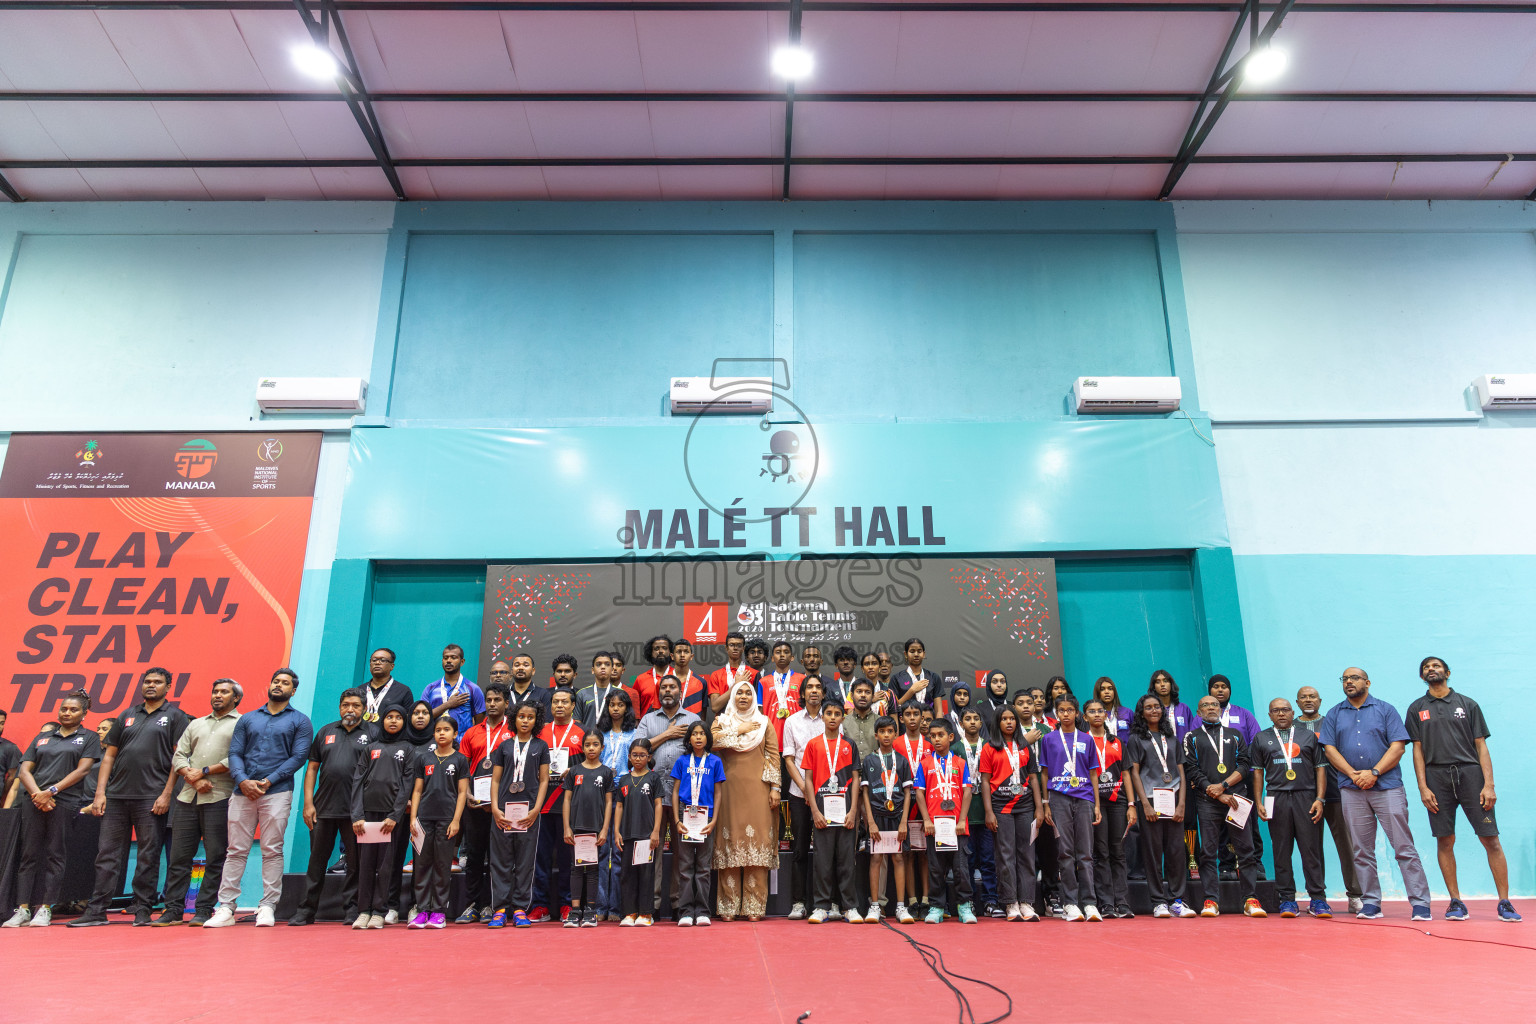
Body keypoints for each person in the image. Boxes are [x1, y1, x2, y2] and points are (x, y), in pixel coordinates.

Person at [69, 668, 191, 928]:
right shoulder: (127, 715)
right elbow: (109, 755)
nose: (151, 685)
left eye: (157, 682)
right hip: (116, 796)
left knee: (148, 856)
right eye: (147, 681)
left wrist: (167, 794)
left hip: (151, 797)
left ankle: (142, 909)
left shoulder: (176, 717)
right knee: (106, 855)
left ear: (168, 687)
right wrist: (101, 793)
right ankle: (97, 910)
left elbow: (178, 759)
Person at [1407, 657, 1518, 922]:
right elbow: (1417, 751)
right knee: (1445, 840)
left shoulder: (1468, 705)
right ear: (1422, 676)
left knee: (1490, 839)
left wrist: (1488, 784)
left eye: (1435, 666)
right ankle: (1456, 902)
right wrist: (1423, 787)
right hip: (1436, 778)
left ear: (1447, 672)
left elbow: (1481, 746)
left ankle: (1505, 902)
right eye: (1425, 667)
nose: (1430, 669)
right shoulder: (1416, 708)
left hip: (1471, 775)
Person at [1319, 667, 1432, 921]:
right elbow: (1329, 749)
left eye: (1354, 678)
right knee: (1361, 850)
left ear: (1367, 682)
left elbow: (1398, 746)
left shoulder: (1385, 709)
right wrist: (1353, 774)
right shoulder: (1335, 714)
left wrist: (1374, 772)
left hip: (1388, 787)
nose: (1349, 682)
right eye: (1345, 679)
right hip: (1351, 790)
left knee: (1403, 847)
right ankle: (1371, 903)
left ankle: (1421, 904)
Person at [205, 667, 312, 929]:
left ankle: (267, 906)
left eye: (285, 683)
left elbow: (298, 757)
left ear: (293, 691)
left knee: (272, 850)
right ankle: (226, 908)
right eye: (276, 681)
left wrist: (268, 781)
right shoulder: (248, 719)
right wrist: (242, 780)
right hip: (242, 792)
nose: (279, 685)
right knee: (235, 850)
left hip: (276, 792)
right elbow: (234, 753)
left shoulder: (300, 721)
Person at [4, 690, 101, 929]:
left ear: (84, 713)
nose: (67, 713)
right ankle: (23, 909)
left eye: (73, 709)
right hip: (35, 801)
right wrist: (38, 794)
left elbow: (83, 770)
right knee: (28, 855)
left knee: (55, 855)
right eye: (64, 709)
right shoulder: (43, 737)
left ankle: (45, 908)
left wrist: (52, 791)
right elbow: (25, 770)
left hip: (63, 802)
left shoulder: (88, 738)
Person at [159, 678, 242, 926]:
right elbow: (180, 755)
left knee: (215, 856)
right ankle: (173, 910)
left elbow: (238, 757)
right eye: (215, 691)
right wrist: (194, 779)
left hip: (219, 796)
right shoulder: (195, 723)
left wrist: (205, 772)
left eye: (224, 692)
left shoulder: (242, 724)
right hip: (188, 796)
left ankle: (204, 909)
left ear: (235, 698)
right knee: (179, 858)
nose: (218, 695)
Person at [292, 688, 371, 926]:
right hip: (323, 808)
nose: (350, 709)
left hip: (356, 811)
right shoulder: (326, 731)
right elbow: (312, 768)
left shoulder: (372, 734)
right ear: (340, 707)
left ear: (364, 710)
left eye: (356, 705)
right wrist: (308, 803)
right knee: (316, 861)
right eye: (346, 705)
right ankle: (306, 911)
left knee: (354, 864)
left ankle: (351, 910)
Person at [1185, 694, 1264, 918]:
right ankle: (1211, 900)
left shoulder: (1235, 734)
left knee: (1246, 851)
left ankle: (1250, 899)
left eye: (1214, 705)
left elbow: (1245, 763)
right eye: (1205, 705)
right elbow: (1192, 769)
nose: (1211, 708)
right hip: (1207, 801)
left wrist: (1224, 786)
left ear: (1220, 710)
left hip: (1236, 799)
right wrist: (1216, 793)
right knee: (1208, 852)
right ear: (1198, 713)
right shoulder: (1192, 737)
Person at [1251, 698, 1331, 919]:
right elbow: (1258, 772)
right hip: (1276, 798)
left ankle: (1318, 900)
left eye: (1285, 710)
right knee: (1281, 851)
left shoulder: (1306, 736)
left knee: (1311, 850)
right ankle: (1287, 900)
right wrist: (1259, 801)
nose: (1281, 714)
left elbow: (1321, 768)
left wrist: (1320, 798)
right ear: (1269, 715)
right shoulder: (1261, 738)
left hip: (1306, 796)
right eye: (1276, 711)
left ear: (1292, 712)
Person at [710, 679, 781, 921]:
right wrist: (740, 729)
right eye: (738, 693)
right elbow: (714, 742)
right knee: (730, 844)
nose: (743, 697)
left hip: (759, 790)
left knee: (756, 847)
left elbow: (773, 755)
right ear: (732, 697)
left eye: (747, 693)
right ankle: (728, 906)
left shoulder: (764, 723)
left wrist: (775, 788)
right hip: (728, 790)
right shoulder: (722, 721)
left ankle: (754, 907)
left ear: (754, 697)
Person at [633, 673, 699, 918]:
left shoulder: (693, 719)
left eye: (672, 687)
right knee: (653, 849)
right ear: (658, 693)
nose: (667, 691)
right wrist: (667, 735)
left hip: (684, 795)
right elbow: (638, 749)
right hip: (654, 795)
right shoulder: (649, 720)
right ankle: (652, 904)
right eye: (664, 687)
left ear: (680, 692)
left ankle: (679, 904)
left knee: (683, 852)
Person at [1295, 684, 1362, 914]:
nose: (1308, 700)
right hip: (1305, 796)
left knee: (1347, 846)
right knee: (1311, 848)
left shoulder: (1331, 722)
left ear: (1320, 700)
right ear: (1297, 703)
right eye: (1303, 697)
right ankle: (1318, 897)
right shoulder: (1290, 727)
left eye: (1312, 696)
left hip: (1336, 793)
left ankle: (1355, 895)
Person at [1126, 695, 1194, 919]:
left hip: (1174, 798)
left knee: (1176, 853)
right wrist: (1143, 803)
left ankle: (1177, 900)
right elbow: (1134, 772)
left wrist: (1182, 803)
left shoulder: (1171, 738)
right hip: (1150, 800)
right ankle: (1158, 902)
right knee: (1153, 853)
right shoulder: (1136, 739)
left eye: (1157, 707)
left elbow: (1181, 773)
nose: (1154, 710)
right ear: (1141, 712)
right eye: (1148, 707)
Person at [350, 707, 414, 928]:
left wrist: (395, 816)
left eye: (398, 718)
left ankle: (379, 910)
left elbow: (407, 785)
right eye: (389, 717)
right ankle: (363, 911)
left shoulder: (408, 749)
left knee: (386, 866)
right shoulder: (370, 748)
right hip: (367, 817)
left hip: (391, 818)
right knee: (366, 864)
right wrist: (357, 815)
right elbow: (357, 781)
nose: (393, 721)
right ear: (382, 721)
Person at [486, 702, 549, 928]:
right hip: (502, 811)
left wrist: (536, 809)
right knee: (501, 861)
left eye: (530, 717)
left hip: (529, 813)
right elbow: (494, 780)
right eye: (521, 716)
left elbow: (544, 781)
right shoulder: (503, 747)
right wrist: (494, 807)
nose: (525, 720)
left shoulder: (541, 747)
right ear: (514, 719)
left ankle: (521, 908)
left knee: (525, 861)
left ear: (536, 720)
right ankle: (500, 909)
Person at [1040, 695, 1101, 921]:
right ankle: (1070, 903)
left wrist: (1096, 804)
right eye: (1061, 710)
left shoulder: (1087, 739)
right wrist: (1046, 804)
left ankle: (1090, 903)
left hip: (1084, 798)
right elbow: (1044, 772)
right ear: (1057, 713)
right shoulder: (1049, 739)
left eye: (1070, 710)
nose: (1065, 714)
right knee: (1065, 853)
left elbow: (1094, 773)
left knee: (1085, 853)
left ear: (1077, 713)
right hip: (1059, 798)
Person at [455, 680, 512, 923]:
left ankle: (492, 905)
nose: (491, 704)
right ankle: (471, 905)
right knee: (475, 855)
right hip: (476, 804)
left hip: (502, 805)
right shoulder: (471, 732)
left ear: (506, 704)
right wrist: (466, 794)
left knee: (498, 857)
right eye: (488, 700)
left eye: (497, 700)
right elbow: (463, 768)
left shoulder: (514, 731)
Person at [980, 705, 1043, 922]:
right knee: (1005, 855)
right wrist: (989, 811)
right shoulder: (989, 747)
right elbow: (985, 781)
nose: (1009, 722)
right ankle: (1010, 903)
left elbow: (1034, 777)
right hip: (1001, 807)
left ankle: (1026, 902)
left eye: (1012, 719)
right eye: (1004, 719)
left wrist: (1040, 807)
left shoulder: (1025, 746)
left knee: (1027, 854)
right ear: (997, 722)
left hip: (1025, 806)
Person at [801, 700, 861, 923]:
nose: (833, 717)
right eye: (829, 713)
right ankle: (821, 906)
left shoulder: (850, 745)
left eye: (837, 713)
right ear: (823, 717)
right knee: (822, 862)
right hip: (822, 812)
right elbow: (808, 779)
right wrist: (815, 811)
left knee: (847, 861)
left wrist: (854, 810)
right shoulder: (813, 744)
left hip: (845, 812)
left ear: (843, 718)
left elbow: (856, 779)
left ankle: (849, 907)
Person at [407, 716, 469, 928]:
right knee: (422, 865)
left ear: (454, 734)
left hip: (447, 820)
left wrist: (456, 820)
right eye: (438, 730)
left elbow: (462, 793)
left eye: (446, 730)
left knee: (442, 866)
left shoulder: (460, 760)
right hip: (423, 819)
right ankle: (422, 910)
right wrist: (413, 818)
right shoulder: (423, 758)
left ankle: (438, 912)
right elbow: (417, 790)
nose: (441, 733)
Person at [914, 718, 975, 923]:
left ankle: (965, 906)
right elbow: (920, 794)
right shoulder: (924, 764)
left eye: (941, 735)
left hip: (957, 826)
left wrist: (962, 820)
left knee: (961, 869)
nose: (936, 739)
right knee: (935, 868)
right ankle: (937, 907)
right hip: (935, 826)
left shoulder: (960, 763)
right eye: (933, 736)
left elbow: (967, 792)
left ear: (950, 737)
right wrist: (927, 820)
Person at [533, 688, 584, 922]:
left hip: (569, 806)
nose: (559, 706)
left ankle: (566, 903)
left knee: (567, 859)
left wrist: (574, 770)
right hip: (541, 805)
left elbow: (591, 765)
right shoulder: (539, 731)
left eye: (564, 702)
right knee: (540, 858)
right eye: (555, 702)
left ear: (573, 705)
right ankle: (539, 905)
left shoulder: (582, 732)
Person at [780, 675, 827, 919]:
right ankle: (798, 902)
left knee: (826, 850)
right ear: (803, 693)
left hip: (827, 794)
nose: (814, 691)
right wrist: (805, 789)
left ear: (823, 693)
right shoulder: (791, 721)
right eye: (809, 687)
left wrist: (816, 792)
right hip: (799, 794)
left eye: (818, 687)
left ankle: (826, 902)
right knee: (799, 849)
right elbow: (788, 759)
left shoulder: (831, 719)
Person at [671, 721, 724, 926]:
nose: (699, 737)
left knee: (703, 867)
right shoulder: (682, 761)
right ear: (689, 739)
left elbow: (718, 793)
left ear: (708, 738)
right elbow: (675, 792)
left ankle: (702, 911)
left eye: (702, 733)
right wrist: (676, 819)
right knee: (685, 867)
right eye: (695, 734)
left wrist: (714, 820)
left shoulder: (715, 762)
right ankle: (685, 911)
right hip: (685, 816)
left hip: (706, 818)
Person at [1085, 698, 1135, 919]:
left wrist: (1132, 804)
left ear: (1106, 716)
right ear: (1084, 716)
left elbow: (1126, 774)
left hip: (1118, 800)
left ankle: (1122, 902)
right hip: (1095, 802)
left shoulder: (1117, 742)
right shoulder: (1082, 741)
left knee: (1118, 852)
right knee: (1101, 852)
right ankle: (1105, 903)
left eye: (1100, 711)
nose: (1097, 714)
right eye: (1091, 711)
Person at [862, 714, 914, 924]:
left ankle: (901, 907)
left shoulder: (901, 761)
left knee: (898, 858)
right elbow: (864, 792)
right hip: (877, 816)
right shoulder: (869, 760)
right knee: (876, 858)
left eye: (889, 731)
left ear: (895, 734)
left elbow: (908, 792)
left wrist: (904, 822)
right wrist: (871, 821)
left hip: (897, 816)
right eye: (882, 732)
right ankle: (875, 906)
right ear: (876, 735)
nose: (885, 735)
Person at [562, 730, 614, 927]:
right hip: (576, 828)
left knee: (593, 869)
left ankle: (591, 910)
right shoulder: (574, 771)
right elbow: (566, 800)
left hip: (596, 829)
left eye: (595, 745)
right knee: (576, 869)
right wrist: (567, 827)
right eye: (587, 745)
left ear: (602, 747)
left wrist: (604, 829)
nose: (591, 748)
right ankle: (575, 911)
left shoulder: (606, 772)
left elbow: (609, 803)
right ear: (582, 747)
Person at [595, 688, 636, 921]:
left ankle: (616, 907)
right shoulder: (601, 732)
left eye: (620, 705)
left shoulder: (633, 733)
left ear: (627, 708)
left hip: (624, 792)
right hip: (601, 792)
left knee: (619, 851)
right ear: (607, 707)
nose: (616, 708)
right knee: (602, 851)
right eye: (612, 704)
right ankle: (600, 906)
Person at [614, 737, 663, 927]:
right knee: (627, 874)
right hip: (627, 834)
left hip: (646, 835)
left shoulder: (653, 778)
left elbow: (658, 805)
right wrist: (617, 831)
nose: (638, 758)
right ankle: (629, 913)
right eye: (635, 755)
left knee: (645, 874)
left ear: (649, 757)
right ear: (629, 756)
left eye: (642, 755)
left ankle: (645, 914)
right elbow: (619, 806)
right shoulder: (624, 780)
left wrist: (656, 831)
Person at [955, 706, 996, 916]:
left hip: (986, 811)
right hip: (965, 814)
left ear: (981, 723)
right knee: (967, 861)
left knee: (988, 859)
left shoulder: (990, 746)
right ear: (961, 723)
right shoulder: (955, 748)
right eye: (968, 719)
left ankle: (990, 900)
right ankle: (968, 900)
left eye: (976, 719)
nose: (972, 722)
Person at [896, 700, 933, 915]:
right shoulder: (896, 743)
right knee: (908, 853)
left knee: (925, 852)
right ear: (901, 718)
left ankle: (926, 900)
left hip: (927, 804)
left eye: (915, 714)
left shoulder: (930, 744)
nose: (911, 718)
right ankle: (911, 901)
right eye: (907, 714)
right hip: (903, 804)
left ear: (922, 718)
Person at [422, 644, 485, 736]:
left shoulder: (473, 688)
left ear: (462, 661)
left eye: (453, 657)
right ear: (442, 661)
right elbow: (423, 717)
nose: (448, 661)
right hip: (434, 743)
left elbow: (479, 724)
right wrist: (448, 704)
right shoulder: (431, 688)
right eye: (445, 658)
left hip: (462, 745)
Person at [760, 641, 804, 747]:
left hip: (798, 737)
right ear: (772, 658)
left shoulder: (802, 679)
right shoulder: (763, 682)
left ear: (792, 657)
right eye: (778, 652)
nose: (782, 655)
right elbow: (760, 712)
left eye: (786, 652)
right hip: (772, 738)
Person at [360, 648, 414, 729]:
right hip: (361, 737)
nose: (377, 663)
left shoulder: (403, 690)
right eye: (374, 660)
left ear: (392, 666)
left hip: (389, 739)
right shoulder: (359, 690)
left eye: (383, 660)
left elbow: (408, 720)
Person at [708, 632, 757, 714]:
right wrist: (736, 685)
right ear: (726, 648)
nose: (735, 648)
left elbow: (757, 707)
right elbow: (715, 707)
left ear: (743, 648)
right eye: (731, 645)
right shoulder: (716, 675)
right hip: (723, 723)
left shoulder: (753, 674)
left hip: (747, 723)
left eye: (739, 645)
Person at [628, 635, 674, 719]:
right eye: (656, 648)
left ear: (671, 652)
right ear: (650, 652)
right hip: (647, 728)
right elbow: (634, 708)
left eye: (664, 648)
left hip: (673, 726)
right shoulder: (640, 679)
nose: (660, 651)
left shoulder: (676, 676)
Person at [575, 651, 621, 728]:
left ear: (612, 669)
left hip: (612, 739)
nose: (603, 667)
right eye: (598, 664)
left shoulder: (620, 693)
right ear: (593, 670)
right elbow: (577, 722)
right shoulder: (581, 694)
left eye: (607, 664)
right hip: (588, 738)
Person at [1148, 669, 1194, 743]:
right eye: (1158, 682)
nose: (1162, 684)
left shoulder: (1183, 708)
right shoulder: (1152, 711)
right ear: (1154, 687)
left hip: (1183, 752)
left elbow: (1192, 733)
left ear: (1171, 684)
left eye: (1165, 681)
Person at [896, 638, 941, 711]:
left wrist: (938, 722)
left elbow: (938, 710)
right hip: (905, 721)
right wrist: (911, 691)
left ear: (924, 654)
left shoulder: (933, 677)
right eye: (912, 651)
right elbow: (895, 707)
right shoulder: (897, 678)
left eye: (919, 651)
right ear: (905, 654)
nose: (916, 654)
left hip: (928, 721)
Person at [501, 653, 551, 719]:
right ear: (512, 671)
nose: (521, 668)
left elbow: (547, 723)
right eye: (517, 665)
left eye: (526, 665)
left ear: (533, 671)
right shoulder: (503, 694)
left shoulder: (543, 694)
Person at [841, 677, 881, 759]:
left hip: (874, 770)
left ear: (873, 697)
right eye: (859, 691)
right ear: (852, 696)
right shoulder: (843, 723)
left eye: (867, 692)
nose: (863, 695)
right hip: (849, 770)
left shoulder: (880, 722)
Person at [668, 640, 707, 718]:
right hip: (670, 727)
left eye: (686, 652)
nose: (682, 655)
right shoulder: (663, 683)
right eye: (679, 652)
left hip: (693, 728)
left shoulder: (701, 682)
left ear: (691, 656)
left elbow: (703, 712)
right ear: (672, 656)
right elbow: (657, 710)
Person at [0, 708, 22, 797]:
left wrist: (3, 794)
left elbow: (13, 776)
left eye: (2, 723)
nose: (0, 726)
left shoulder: (10, 747)